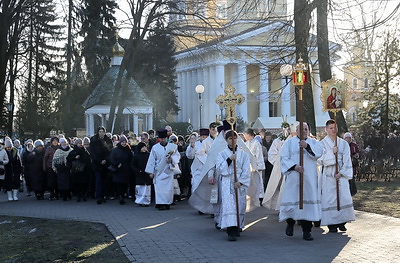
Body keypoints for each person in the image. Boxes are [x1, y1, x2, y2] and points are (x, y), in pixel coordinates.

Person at [279, 122, 323, 241]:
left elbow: (318, 154)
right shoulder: (289, 143)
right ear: (296, 131)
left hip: (308, 179)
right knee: (293, 202)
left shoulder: (314, 142)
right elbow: (283, 158)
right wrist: (294, 167)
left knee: (307, 206)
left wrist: (307, 146)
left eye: (306, 129)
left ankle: (307, 231)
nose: (304, 131)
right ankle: (290, 223)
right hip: (294, 177)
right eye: (301, 129)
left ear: (308, 131)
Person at [319, 120, 356, 233]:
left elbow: (347, 160)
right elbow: (319, 160)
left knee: (343, 198)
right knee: (331, 200)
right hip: (329, 176)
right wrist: (331, 153)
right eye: (330, 128)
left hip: (341, 175)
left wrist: (342, 172)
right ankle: (332, 224)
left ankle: (342, 221)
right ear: (326, 129)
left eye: (335, 127)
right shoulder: (322, 144)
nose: (333, 130)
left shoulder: (343, 143)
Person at [216, 130, 251, 241]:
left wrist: (240, 182)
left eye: (234, 138)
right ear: (226, 140)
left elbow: (246, 170)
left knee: (239, 205)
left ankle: (237, 227)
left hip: (239, 183)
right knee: (229, 206)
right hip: (227, 182)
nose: (233, 141)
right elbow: (220, 169)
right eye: (230, 139)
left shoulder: (243, 154)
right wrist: (229, 160)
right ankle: (230, 230)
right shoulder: (221, 154)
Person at [262, 121, 295, 210]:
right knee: (281, 188)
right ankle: (281, 206)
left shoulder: (296, 141)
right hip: (281, 168)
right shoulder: (277, 141)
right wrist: (279, 162)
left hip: (294, 169)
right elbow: (272, 154)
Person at [145, 129, 181, 210]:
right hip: (159, 171)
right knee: (159, 189)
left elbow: (177, 156)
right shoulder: (155, 147)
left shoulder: (172, 147)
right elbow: (151, 160)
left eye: (164, 138)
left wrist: (171, 160)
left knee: (168, 189)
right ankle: (160, 203)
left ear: (166, 138)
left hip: (168, 169)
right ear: (159, 139)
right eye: (161, 139)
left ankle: (167, 203)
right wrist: (150, 172)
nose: (163, 140)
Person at [90, 126, 113, 204]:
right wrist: (100, 161)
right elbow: (92, 153)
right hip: (97, 164)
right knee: (98, 180)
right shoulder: (93, 140)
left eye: (103, 131)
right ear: (98, 132)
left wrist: (106, 160)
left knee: (105, 181)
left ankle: (104, 196)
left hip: (106, 164)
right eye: (100, 132)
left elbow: (110, 151)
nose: (101, 133)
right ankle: (99, 196)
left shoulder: (108, 140)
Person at [109, 135, 133, 205]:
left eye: (125, 142)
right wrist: (116, 164)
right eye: (123, 142)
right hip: (118, 170)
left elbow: (131, 159)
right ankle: (120, 197)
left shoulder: (128, 150)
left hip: (126, 170)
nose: (124, 143)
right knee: (119, 184)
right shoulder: (115, 150)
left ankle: (123, 195)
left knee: (125, 184)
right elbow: (112, 159)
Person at [244, 128, 265, 205]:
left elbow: (259, 155)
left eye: (246, 135)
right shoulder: (246, 143)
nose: (245, 136)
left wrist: (259, 166)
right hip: (248, 165)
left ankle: (260, 198)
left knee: (258, 182)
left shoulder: (256, 143)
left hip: (256, 165)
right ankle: (251, 198)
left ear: (249, 135)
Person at [132, 142, 152, 206]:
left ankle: (147, 202)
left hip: (147, 174)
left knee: (147, 189)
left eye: (145, 147)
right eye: (142, 147)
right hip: (139, 175)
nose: (144, 149)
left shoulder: (149, 155)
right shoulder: (136, 156)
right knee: (140, 189)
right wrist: (137, 170)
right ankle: (140, 201)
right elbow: (132, 165)